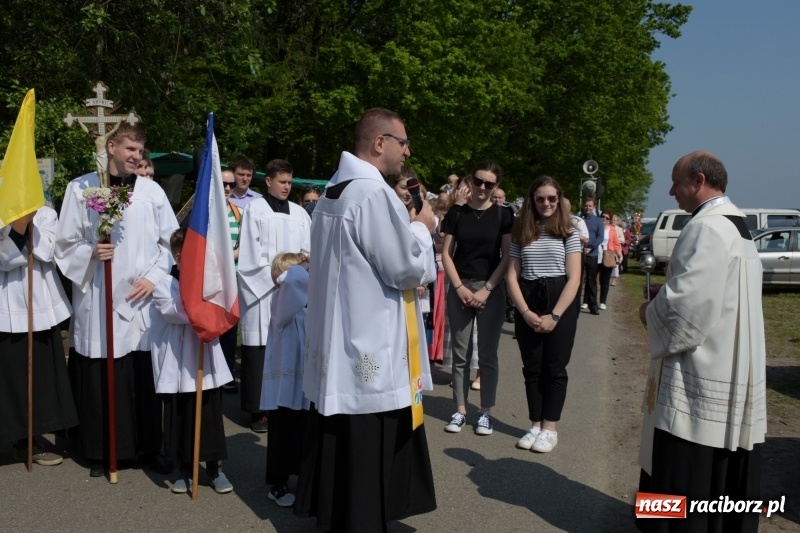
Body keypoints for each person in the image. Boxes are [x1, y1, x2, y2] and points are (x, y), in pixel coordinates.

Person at [296, 107, 437, 533]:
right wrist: (421, 228)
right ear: (380, 144)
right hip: (370, 341)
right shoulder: (373, 196)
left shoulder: (335, 190)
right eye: (402, 142)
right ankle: (362, 522)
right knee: (367, 438)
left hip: (342, 337)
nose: (406, 150)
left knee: (342, 436)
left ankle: (339, 517)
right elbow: (404, 269)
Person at [636, 151, 766, 533]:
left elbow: (687, 314)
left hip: (698, 371)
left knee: (682, 465)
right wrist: (668, 294)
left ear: (698, 181)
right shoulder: (735, 223)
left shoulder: (705, 228)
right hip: (730, 363)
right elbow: (714, 294)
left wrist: (649, 312)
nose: (671, 190)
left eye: (676, 181)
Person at [55, 121, 179, 477]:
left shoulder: (152, 192)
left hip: (141, 299)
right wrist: (91, 254)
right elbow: (65, 244)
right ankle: (101, 450)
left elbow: (170, 244)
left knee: (142, 374)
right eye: (130, 150)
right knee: (102, 372)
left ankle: (148, 447)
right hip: (99, 296)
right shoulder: (81, 188)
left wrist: (154, 278)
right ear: (111, 148)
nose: (136, 158)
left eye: (140, 152)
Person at [150, 228, 234, 495]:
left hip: (204, 361)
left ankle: (214, 468)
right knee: (181, 417)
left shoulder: (209, 283)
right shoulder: (164, 284)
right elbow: (176, 313)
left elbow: (218, 310)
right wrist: (199, 302)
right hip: (178, 365)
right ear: (178, 257)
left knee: (208, 415)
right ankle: (185, 470)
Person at [505, 176, 581, 453]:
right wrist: (524, 311)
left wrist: (556, 315)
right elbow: (512, 276)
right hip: (528, 298)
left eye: (551, 198)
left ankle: (550, 428)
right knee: (532, 368)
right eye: (540, 198)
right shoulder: (522, 231)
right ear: (532, 200)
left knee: (555, 368)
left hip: (559, 298)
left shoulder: (569, 231)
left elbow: (574, 279)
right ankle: (535, 424)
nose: (546, 203)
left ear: (558, 199)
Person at [237, 159, 311, 432]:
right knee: (260, 347)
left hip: (292, 290)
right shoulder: (255, 210)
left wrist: (295, 277)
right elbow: (248, 255)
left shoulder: (300, 213)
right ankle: (258, 411)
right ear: (268, 181)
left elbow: (308, 252)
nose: (287, 187)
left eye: (290, 183)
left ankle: (285, 400)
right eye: (282, 182)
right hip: (264, 291)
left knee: (290, 345)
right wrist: (276, 278)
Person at [0, 208, 78, 465]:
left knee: (41, 378)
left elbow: (46, 252)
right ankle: (14, 438)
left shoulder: (45, 214)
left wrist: (29, 223)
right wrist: (17, 226)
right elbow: (5, 258)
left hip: (40, 305)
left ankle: (31, 439)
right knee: (10, 378)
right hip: (6, 303)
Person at [441, 162, 513, 436]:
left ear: (496, 187)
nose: (483, 187)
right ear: (470, 182)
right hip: (461, 286)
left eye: (489, 184)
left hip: (490, 289)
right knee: (460, 355)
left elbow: (507, 256)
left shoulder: (504, 216)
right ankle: (460, 410)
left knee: (488, 355)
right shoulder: (457, 214)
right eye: (479, 181)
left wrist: (487, 289)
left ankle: (485, 412)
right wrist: (458, 286)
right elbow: (447, 253)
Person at [259, 252, 311, 508]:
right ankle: (277, 484)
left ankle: (303, 474)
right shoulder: (282, 299)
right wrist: (304, 264)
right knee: (283, 431)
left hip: (304, 383)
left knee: (302, 429)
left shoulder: (302, 302)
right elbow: (294, 281)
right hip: (285, 385)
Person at [219, 169, 242, 392]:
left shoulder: (238, 213)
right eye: (224, 184)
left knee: (229, 329)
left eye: (231, 185)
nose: (227, 188)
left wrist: (225, 253)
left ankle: (227, 374)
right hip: (211, 280)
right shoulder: (206, 211)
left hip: (232, 280)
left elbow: (244, 248)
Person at [579, 197, 603, 315]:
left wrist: (591, 247)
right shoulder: (579, 219)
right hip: (579, 253)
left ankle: (593, 306)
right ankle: (574, 304)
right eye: (586, 206)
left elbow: (600, 237)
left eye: (590, 206)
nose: (588, 208)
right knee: (577, 279)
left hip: (592, 254)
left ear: (594, 207)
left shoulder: (598, 221)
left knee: (591, 280)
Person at [597, 211, 622, 310]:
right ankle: (589, 300)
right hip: (596, 255)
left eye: (607, 218)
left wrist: (620, 255)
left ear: (609, 220)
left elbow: (616, 243)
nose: (604, 219)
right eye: (603, 217)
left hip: (608, 256)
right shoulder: (597, 228)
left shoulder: (612, 230)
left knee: (605, 280)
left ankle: (602, 301)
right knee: (593, 279)